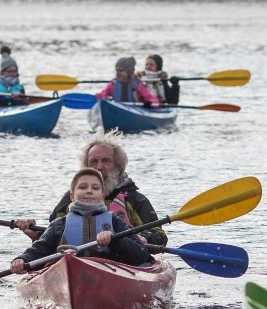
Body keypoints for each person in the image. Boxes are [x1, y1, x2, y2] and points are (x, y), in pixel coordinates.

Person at [14, 129, 168, 246]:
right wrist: (34, 234)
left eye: (106, 161)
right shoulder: (71, 198)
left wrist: (144, 238)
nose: (99, 167)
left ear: (118, 166)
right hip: (75, 259)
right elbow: (51, 237)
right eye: (93, 161)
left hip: (123, 259)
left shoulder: (134, 199)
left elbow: (160, 235)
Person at [10, 168, 150, 274]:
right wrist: (23, 260)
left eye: (95, 188)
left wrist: (115, 240)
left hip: (108, 274)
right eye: (83, 187)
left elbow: (141, 254)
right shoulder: (60, 224)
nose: (89, 191)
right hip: (69, 275)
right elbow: (39, 250)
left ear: (102, 196)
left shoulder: (115, 222)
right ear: (72, 196)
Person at [95, 56, 160, 107]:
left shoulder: (138, 84)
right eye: (116, 70)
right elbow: (101, 95)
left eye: (120, 71)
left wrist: (150, 103)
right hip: (117, 111)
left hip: (135, 112)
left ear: (129, 71)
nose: (117, 73)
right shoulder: (113, 84)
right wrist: (97, 98)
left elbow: (153, 99)